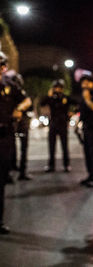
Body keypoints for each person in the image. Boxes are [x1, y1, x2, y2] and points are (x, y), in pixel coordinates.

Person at [0, 51, 32, 234]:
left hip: (5, 136)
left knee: (1, 181)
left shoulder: (10, 85)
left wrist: (19, 108)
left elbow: (26, 100)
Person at [40, 79, 73, 172]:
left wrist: (71, 113)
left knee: (64, 146)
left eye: (59, 88)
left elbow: (77, 103)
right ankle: (51, 165)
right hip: (53, 124)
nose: (57, 89)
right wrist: (48, 95)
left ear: (62, 89)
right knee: (51, 146)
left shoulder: (65, 98)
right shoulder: (51, 98)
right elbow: (42, 103)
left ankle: (66, 165)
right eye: (56, 88)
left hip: (63, 124)